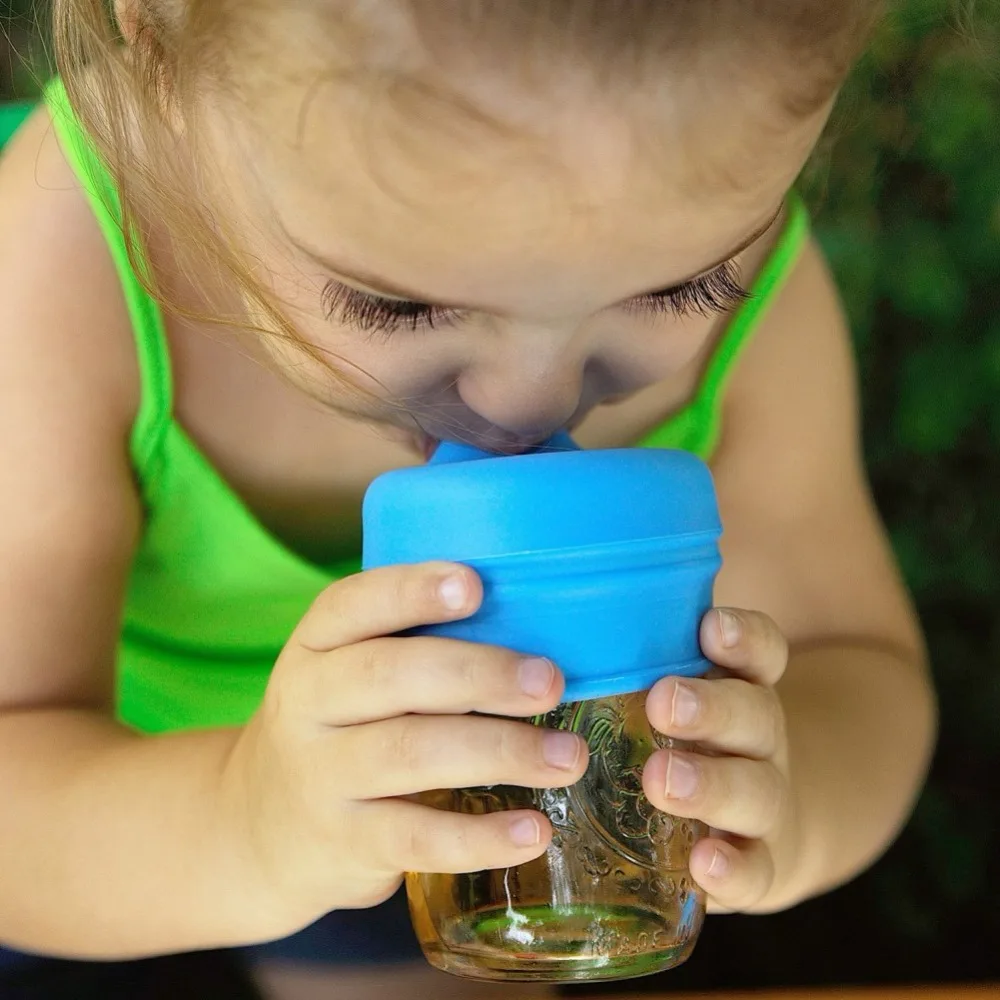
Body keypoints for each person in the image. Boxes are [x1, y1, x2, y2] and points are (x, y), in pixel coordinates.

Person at [0, 1, 937, 997]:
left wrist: (790, 796)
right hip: (86, 794)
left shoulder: (761, 317)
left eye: (679, 289)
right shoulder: (66, 259)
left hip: (456, 797)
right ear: (165, 56)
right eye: (396, 305)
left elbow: (858, 666)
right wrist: (246, 823)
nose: (526, 403)